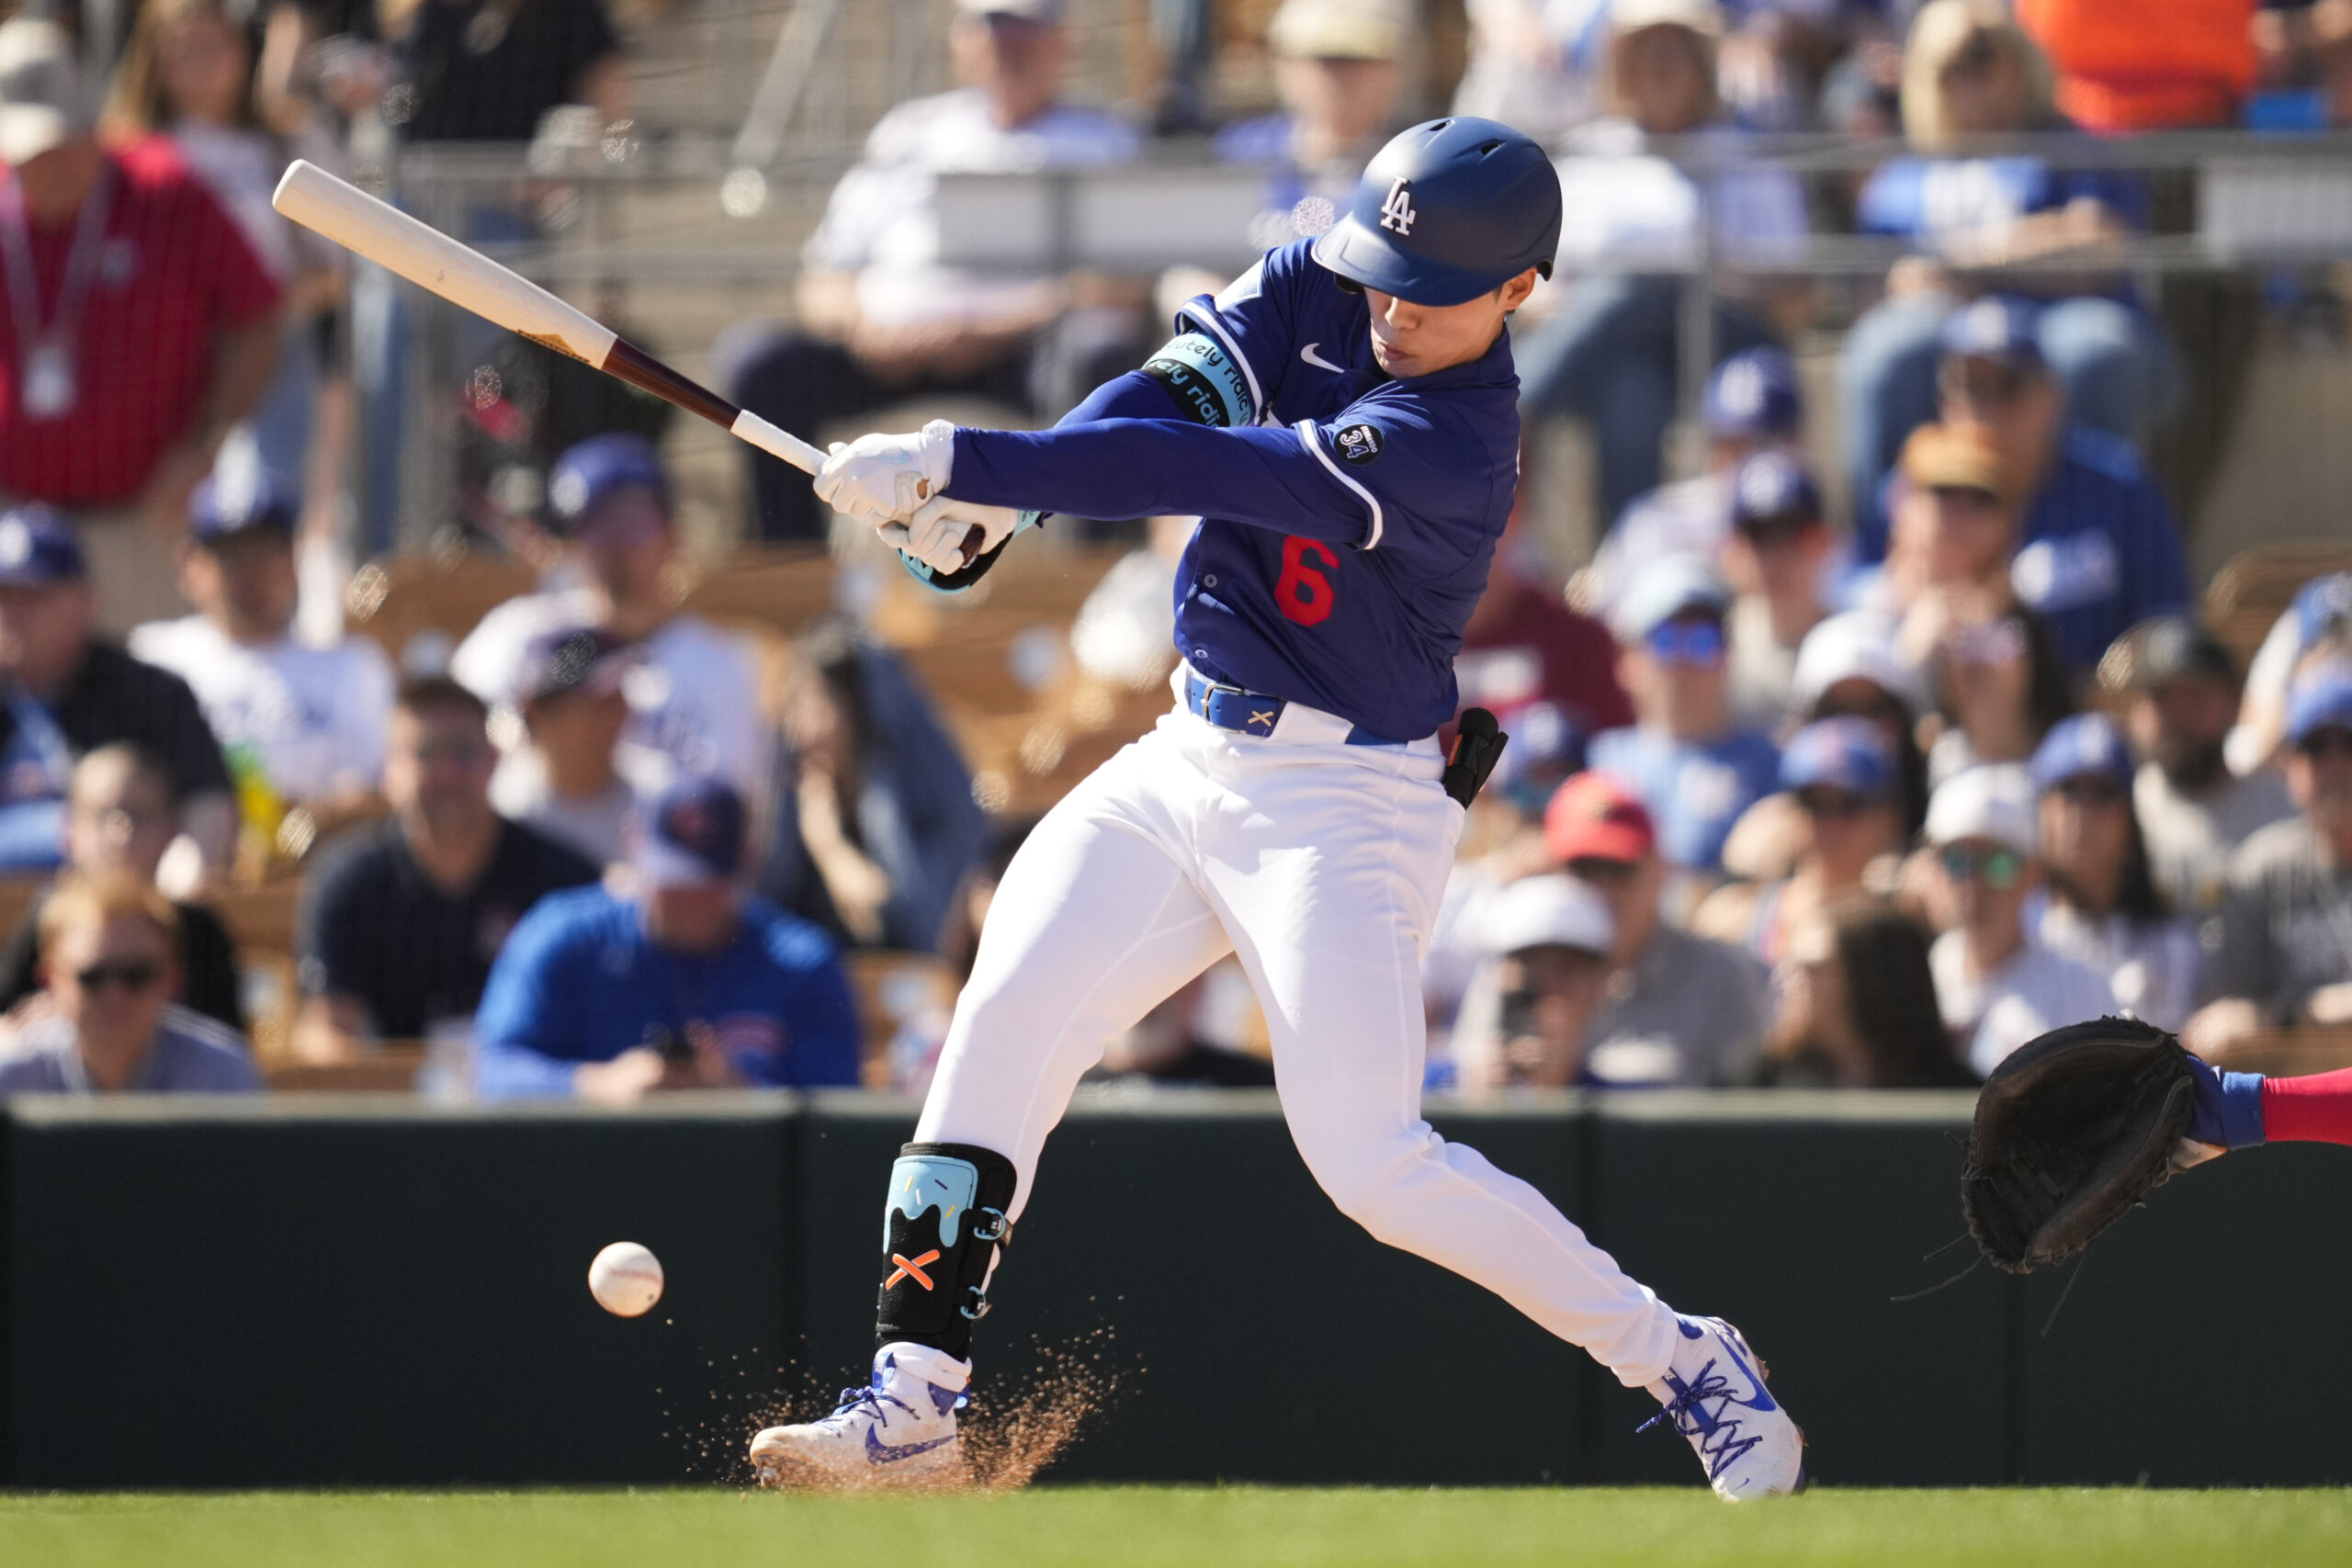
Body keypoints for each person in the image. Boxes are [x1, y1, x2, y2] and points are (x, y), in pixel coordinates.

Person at [750, 118, 1804, 1499]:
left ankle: (1680, 1355)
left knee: (1370, 1160)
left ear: (1520, 292)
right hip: (1188, 746)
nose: (1388, 306)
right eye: (1380, 271)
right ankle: (912, 1402)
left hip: (1346, 798)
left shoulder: (1453, 440)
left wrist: (964, 461)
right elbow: (1173, 401)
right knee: (1001, 1015)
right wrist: (1008, 501)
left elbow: (1205, 476)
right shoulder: (1332, 274)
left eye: (1429, 293)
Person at [723, 0, 1143, 544]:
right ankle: (796, 569)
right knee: (763, 364)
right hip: (888, 351)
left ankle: (1085, 569)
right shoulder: (909, 131)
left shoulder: (1104, 142)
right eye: (992, 27)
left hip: (1027, 350)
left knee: (1099, 358)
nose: (1007, 45)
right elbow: (825, 276)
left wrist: (984, 332)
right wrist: (862, 327)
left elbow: (1121, 286)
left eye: (1025, 29)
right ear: (960, 41)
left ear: (1064, 41)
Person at [1838, 1, 2180, 511]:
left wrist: (1963, 263)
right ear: (1927, 77)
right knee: (1889, 351)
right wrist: (2024, 250)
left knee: (2091, 352)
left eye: (1987, 56)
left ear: (2022, 61)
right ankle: (1886, 550)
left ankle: (2082, 550)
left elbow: (2094, 245)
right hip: (1948, 339)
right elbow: (1880, 288)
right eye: (1954, 65)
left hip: (2058, 323)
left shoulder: (2072, 145)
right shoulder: (1904, 178)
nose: (1974, 79)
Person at [0, 18, 281, 632]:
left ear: (91, 129)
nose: (43, 168)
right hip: (13, 523)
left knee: (145, 698)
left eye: (58, 146)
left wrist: (205, 447)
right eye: (26, 155)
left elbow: (258, 315)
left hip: (140, 521)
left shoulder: (163, 188)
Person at [1515, 0, 1811, 528]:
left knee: (1638, 282)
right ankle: (1629, 553)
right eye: (1645, 52)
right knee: (1633, 391)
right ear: (1620, 67)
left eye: (1674, 51)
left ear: (1702, 63)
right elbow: (1534, 283)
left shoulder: (1749, 156)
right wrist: (1556, 302)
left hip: (1727, 333)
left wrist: (1704, 275)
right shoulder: (1590, 155)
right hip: (1613, 345)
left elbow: (1793, 293)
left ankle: (1511, 406)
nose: (1661, 65)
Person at [1851, 299, 2190, 682]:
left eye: (2008, 386)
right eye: (1971, 385)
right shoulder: (1915, 485)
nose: (1987, 407)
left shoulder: (2118, 486)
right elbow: (1841, 588)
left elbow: (2168, 620)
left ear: (2051, 397)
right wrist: (1894, 597)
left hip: (2090, 711)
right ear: (1944, 400)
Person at [102, 0, 347, 515]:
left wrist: (260, 311)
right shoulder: (131, 155)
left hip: (278, 347)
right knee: (173, 505)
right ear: (156, 62)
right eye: (187, 51)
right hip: (167, 354)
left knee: (267, 511)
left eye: (218, 46)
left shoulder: (291, 138)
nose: (206, 63)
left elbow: (336, 268)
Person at [474, 776, 862, 1101]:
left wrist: (741, 1096)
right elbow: (491, 1071)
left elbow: (835, 1107)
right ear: (632, 845)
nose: (689, 900)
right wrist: (596, 1085)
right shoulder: (565, 937)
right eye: (672, 881)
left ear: (748, 861)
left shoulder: (800, 963)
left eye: (707, 883)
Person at [293, 678, 599, 1058]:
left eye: (464, 751)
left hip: (530, 1102)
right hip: (397, 1104)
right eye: (425, 752)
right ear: (389, 769)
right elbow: (326, 1031)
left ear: (494, 760)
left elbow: (596, 1023)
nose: (448, 772)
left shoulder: (563, 880)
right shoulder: (349, 882)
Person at [451, 434, 763, 799]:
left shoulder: (719, 664)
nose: (615, 545)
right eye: (596, 525)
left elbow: (728, 804)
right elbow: (451, 752)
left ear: (671, 535)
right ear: (571, 540)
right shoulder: (517, 637)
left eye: (633, 523)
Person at [128, 463, 392, 807]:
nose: (249, 572)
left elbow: (371, 789)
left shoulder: (353, 668)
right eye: (230, 554)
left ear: (293, 561)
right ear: (189, 564)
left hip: (317, 853)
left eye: (265, 552)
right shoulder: (155, 658)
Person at [0, 504, 237, 875]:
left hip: (119, 913)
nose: (12, 614)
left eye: (31, 597)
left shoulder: (150, 694)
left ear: (84, 601)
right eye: (3, 596)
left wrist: (181, 901)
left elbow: (207, 806)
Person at [760, 619, 988, 953]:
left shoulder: (917, 799)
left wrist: (829, 845)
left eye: (817, 706)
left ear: (861, 709)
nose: (800, 731)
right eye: (795, 707)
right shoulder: (802, 794)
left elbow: (899, 919)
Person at [1548, 770, 1773, 1088]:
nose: (1602, 889)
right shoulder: (1516, 968)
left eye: (1618, 869)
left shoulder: (1721, 978)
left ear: (1659, 870)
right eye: (1584, 869)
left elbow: (1752, 1115)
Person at [0, 744, 244, 1032]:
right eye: (103, 815)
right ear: (70, 831)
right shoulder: (48, 916)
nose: (121, 833)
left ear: (172, 830)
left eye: (139, 816)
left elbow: (226, 1041)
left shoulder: (199, 930)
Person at [2182, 660, 2352, 1061]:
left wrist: (2285, 1015)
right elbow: (2225, 1023)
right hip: (2296, 1096)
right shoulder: (2258, 871)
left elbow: (2260, 1018)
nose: (2333, 766)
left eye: (2349, 745)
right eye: (2314, 748)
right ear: (2287, 764)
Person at [1579, 345, 1808, 625]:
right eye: (1731, 444)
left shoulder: (1815, 525)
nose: (1744, 461)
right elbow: (1604, 622)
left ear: (1796, 445)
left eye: (1761, 445)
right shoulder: (1656, 521)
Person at [1589, 558, 1781, 886]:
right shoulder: (1600, 762)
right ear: (1627, 661)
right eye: (1666, 640)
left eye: (1702, 640)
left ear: (1726, 656)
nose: (1684, 661)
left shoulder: (1770, 762)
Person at [1922, 763, 2115, 1077]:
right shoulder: (1923, 973)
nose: (1973, 883)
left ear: (2035, 874)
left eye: (1998, 864)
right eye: (1956, 861)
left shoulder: (2080, 985)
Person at [0, 871, 258, 1093]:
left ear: (173, 980)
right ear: (50, 981)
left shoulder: (223, 1076)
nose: (115, 994)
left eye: (136, 975)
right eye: (91, 976)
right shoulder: (10, 1078)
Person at [2027, 713, 2201, 1032]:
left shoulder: (2173, 947)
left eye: (2101, 793)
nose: (2082, 814)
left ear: (2129, 822)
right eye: (2068, 791)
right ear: (2041, 811)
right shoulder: (2016, 935)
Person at [1694, 716, 1908, 968]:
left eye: (1848, 805)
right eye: (1813, 805)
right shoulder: (1733, 922)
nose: (1830, 825)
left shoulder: (1906, 924)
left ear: (1887, 817)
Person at [2123, 616, 2296, 917]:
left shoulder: (2283, 809)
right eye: (2162, 699)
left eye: (2195, 699)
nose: (2179, 718)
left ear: (2233, 704)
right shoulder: (2119, 813)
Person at [1215, 0, 1412, 253]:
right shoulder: (1242, 150)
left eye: (1359, 59)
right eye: (1324, 59)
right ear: (1284, 64)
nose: (1341, 77)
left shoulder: (1415, 166)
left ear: (1394, 69)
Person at [1753, 896, 1975, 1089]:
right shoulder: (1761, 1084)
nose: (1787, 980)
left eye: (1813, 969)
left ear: (1873, 982)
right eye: (1791, 966)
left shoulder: (1966, 1103)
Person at [489, 625, 641, 869]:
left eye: (619, 695)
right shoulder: (498, 815)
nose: (618, 713)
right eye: (598, 700)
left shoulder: (655, 805)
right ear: (536, 709)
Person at [1451, 873, 1618, 1090]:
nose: (1547, 987)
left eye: (1566, 969)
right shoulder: (1423, 1094)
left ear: (1598, 988)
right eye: (1528, 968)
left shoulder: (1630, 1108)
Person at [394, 0, 627, 144]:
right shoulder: (436, 12)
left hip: (528, 204)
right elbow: (407, 94)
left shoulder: (571, 10)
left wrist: (566, 169)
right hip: (431, 193)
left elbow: (607, 102)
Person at [1719, 450, 1833, 733]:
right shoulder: (1715, 644)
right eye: (1760, 537)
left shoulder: (1850, 643)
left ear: (1824, 541)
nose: (1776, 556)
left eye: (1791, 535)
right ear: (1734, 549)